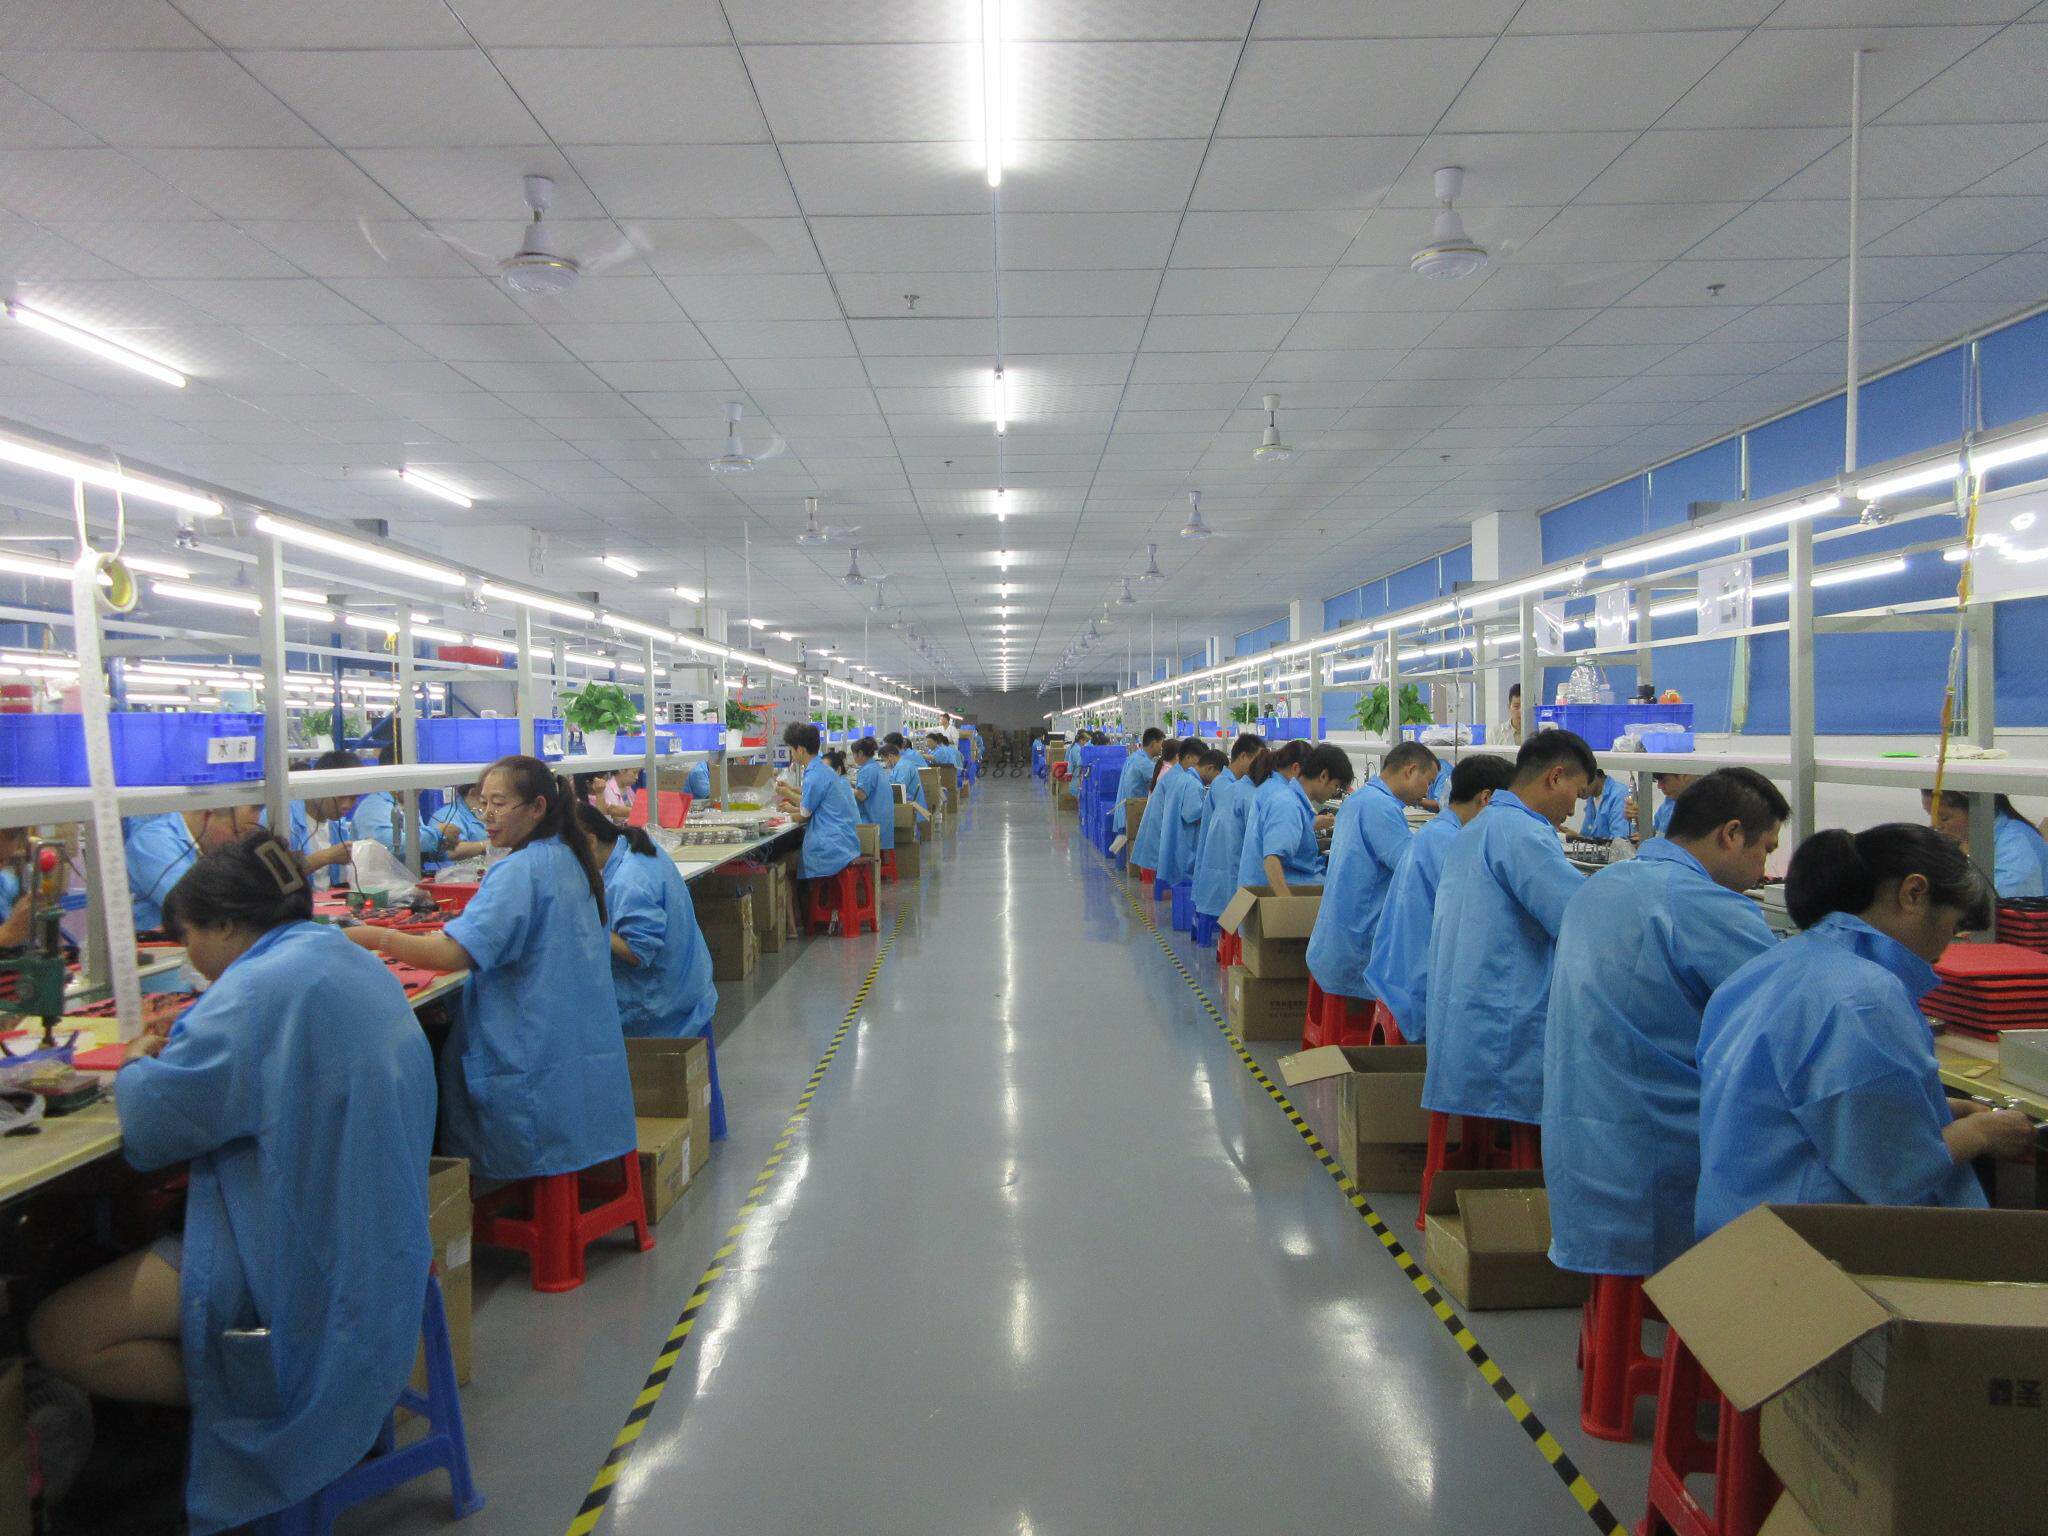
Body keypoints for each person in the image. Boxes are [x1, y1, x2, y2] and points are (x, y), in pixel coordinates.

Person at [31, 829, 435, 1535]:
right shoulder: (344, 957)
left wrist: (135, 1060)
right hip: (378, 1245)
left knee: (59, 1332)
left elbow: (154, 1128)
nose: (189, 955)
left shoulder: (253, 993)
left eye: (188, 937)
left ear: (224, 926)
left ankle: (257, 1396)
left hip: (298, 1262)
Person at [1695, 823, 2034, 1238]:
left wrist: (1933, 1105)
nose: (1946, 948)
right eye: (1952, 926)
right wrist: (1978, 1134)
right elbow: (1893, 1170)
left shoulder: (1773, 965)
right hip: (1811, 1242)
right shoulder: (1865, 997)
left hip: (1736, 1224)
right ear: (1914, 893)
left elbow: (1807, 1097)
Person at [1542, 769, 1789, 1279]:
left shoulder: (1600, 886)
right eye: (1764, 850)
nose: (1764, 871)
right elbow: (1788, 1013)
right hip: (1657, 1160)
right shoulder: (1706, 906)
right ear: (1731, 834)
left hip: (1583, 1151)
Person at [343, 756, 635, 1183]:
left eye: (499, 804)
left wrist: (374, 937)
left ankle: (452, 1199)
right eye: (483, 804)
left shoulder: (520, 870)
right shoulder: (568, 856)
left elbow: (453, 954)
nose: (488, 816)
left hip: (531, 1066)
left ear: (537, 808)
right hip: (571, 1053)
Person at [1421, 730, 1596, 1129]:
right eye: (1577, 793)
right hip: (1499, 1035)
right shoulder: (1522, 833)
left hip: (1463, 1024)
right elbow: (1575, 916)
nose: (1574, 808)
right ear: (1555, 777)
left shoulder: (1482, 824)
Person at [1365, 754, 1514, 1040]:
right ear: (1486, 799)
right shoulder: (1455, 844)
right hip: (1418, 989)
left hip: (1393, 976)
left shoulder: (1435, 832)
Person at [1305, 741, 1435, 1006]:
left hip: (1331, 945)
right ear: (1410, 771)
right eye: (1428, 782)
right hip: (1357, 951)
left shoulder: (1360, 799)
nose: (1427, 792)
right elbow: (1411, 869)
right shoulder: (1381, 808)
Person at [577, 804, 716, 1039]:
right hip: (688, 987)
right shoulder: (635, 846)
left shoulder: (630, 880)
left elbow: (638, 952)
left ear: (590, 841)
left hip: (664, 1012)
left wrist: (590, 924)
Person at [125, 805, 261, 931]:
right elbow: (196, 908)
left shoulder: (211, 847)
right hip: (157, 943)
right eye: (238, 832)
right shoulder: (154, 843)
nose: (240, 843)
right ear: (208, 815)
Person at [1247, 743, 1354, 897]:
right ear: (1324, 776)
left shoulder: (1294, 802)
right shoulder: (1288, 804)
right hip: (1278, 899)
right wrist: (1289, 906)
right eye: (1336, 786)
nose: (1334, 793)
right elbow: (1272, 861)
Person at [1923, 789, 2048, 899]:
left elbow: (2001, 903)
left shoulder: (2017, 847)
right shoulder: (1972, 837)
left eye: (1944, 818)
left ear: (1976, 810)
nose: (1936, 826)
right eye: (1931, 816)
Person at [1193, 735, 1265, 927]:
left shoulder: (1232, 783)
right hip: (1224, 855)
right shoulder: (1225, 785)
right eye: (1257, 759)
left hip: (1223, 854)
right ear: (1243, 756)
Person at [777, 723, 861, 883]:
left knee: (788, 860)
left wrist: (786, 798)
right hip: (844, 840)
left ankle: (807, 897)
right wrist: (791, 794)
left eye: (791, 750)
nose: (791, 754)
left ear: (800, 750)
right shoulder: (823, 770)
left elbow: (805, 813)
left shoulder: (814, 775)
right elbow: (815, 803)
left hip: (831, 846)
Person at [1235, 739, 1313, 890]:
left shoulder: (1271, 785)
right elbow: (1272, 858)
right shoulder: (1282, 795)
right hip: (1265, 885)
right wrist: (1287, 902)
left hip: (1254, 880)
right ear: (1296, 768)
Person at [1153, 737, 1216, 888]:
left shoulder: (1181, 777)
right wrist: (1211, 810)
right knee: (1185, 877)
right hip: (1184, 843)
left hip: (1173, 838)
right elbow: (1191, 814)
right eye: (1199, 760)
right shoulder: (1191, 783)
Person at [1131, 738, 1185, 875]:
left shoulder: (1163, 767)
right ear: (1178, 756)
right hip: (1159, 820)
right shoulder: (1169, 772)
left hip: (1156, 818)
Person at [1113, 728, 1166, 840]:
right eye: (1161, 744)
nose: (1162, 747)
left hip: (1127, 809)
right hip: (1134, 810)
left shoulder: (1135, 756)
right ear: (1153, 743)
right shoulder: (1144, 762)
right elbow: (1163, 781)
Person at [850, 737, 895, 859]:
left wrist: (845, 788)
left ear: (860, 753)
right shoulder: (875, 767)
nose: (853, 758)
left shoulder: (867, 770)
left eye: (854, 754)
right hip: (882, 820)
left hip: (872, 821)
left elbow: (861, 795)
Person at [1578, 766, 1634, 841]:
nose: (1577, 789)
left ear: (1594, 775)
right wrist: (1575, 837)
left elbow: (1619, 840)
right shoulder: (1591, 798)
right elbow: (1587, 836)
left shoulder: (1619, 794)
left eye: (1580, 781)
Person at [427, 780, 489, 847]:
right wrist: (489, 845)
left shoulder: (476, 812)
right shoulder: (447, 816)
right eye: (485, 800)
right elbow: (452, 849)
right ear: (473, 792)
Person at [884, 737, 929, 815]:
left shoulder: (905, 760)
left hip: (912, 806)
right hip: (916, 793)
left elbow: (899, 788)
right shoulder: (902, 758)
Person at [1649, 772, 1696, 837]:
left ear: (1684, 776)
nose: (1659, 786)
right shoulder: (1669, 802)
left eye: (1664, 781)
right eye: (1658, 781)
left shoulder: (1701, 807)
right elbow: (1658, 831)